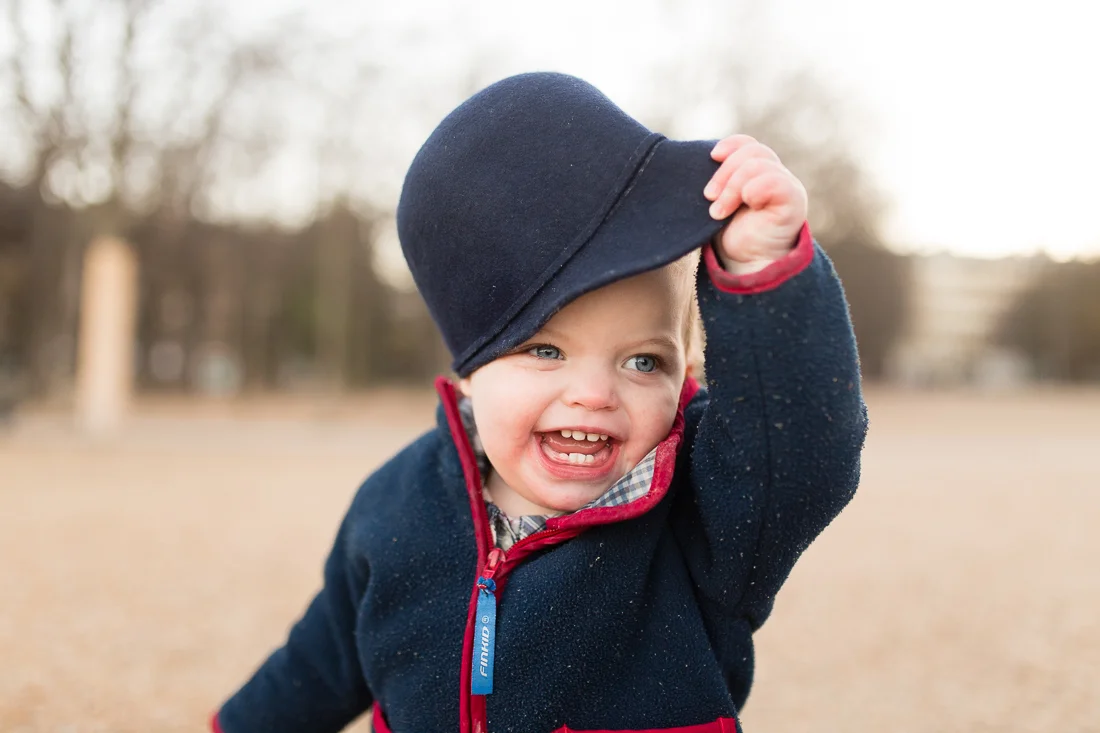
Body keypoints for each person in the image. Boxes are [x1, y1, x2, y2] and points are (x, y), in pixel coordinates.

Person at [212, 72, 867, 733]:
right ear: (469, 368)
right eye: (546, 351)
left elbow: (803, 451)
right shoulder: (397, 504)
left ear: (685, 371)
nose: (592, 393)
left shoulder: (708, 509)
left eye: (644, 361)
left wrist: (763, 271)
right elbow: (323, 659)